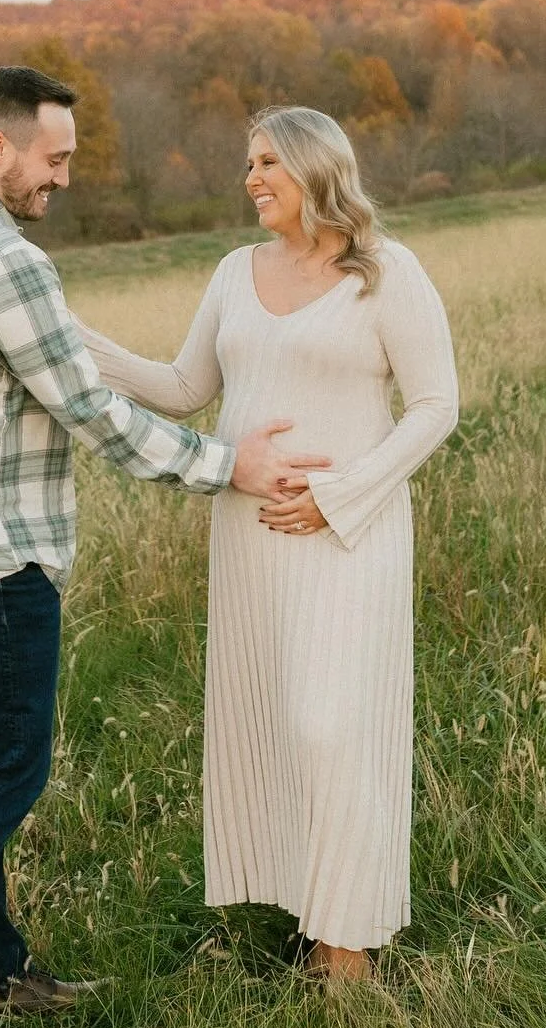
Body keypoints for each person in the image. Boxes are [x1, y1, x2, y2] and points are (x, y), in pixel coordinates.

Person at [0, 66, 330, 1028]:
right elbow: (97, 418)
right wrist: (228, 466)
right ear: (0, 146)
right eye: (55, 159)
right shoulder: (2, 258)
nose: (64, 178)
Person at [76, 105, 459, 982]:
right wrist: (70, 341)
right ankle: (312, 922)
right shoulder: (232, 272)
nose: (250, 178)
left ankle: (350, 954)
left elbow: (437, 405)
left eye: (265, 163)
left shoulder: (384, 273)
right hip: (249, 536)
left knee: (333, 730)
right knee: (280, 728)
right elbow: (182, 389)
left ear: (315, 168)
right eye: (246, 163)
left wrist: (339, 496)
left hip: (347, 537)